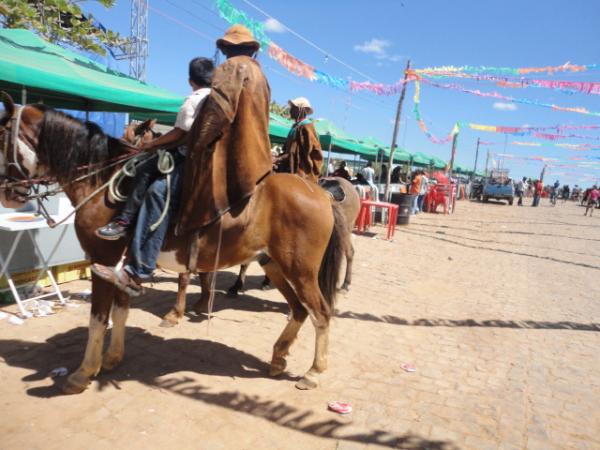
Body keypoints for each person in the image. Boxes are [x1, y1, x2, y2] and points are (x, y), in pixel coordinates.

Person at [90, 57, 214, 295]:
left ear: (191, 81)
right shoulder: (217, 98)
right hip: (199, 157)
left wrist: (152, 145)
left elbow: (179, 133)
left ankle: (138, 265)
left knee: (156, 190)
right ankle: (125, 223)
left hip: (189, 159)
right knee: (146, 170)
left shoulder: (196, 99)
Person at [274, 97, 323, 182]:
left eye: (293, 108)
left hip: (301, 171)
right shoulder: (295, 126)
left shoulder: (307, 126)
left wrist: (278, 159)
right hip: (287, 166)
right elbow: (288, 151)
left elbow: (300, 153)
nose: (290, 110)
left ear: (300, 110)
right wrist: (277, 158)